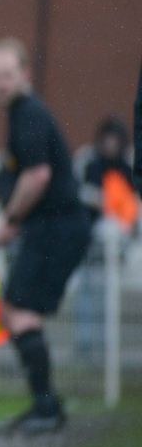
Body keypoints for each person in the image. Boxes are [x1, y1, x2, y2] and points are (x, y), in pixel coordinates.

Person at [0, 37, 90, 433]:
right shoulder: (22, 113)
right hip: (51, 227)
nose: (0, 83)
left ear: (24, 75)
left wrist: (11, 219)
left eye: (7, 75)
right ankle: (45, 403)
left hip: (58, 228)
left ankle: (46, 407)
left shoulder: (27, 113)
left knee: (19, 309)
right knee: (13, 308)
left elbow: (38, 175)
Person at [71, 116, 135, 359]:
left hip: (115, 240)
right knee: (86, 288)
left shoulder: (126, 166)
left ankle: (107, 344)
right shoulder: (88, 161)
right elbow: (76, 190)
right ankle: (85, 342)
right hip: (89, 237)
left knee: (107, 291)